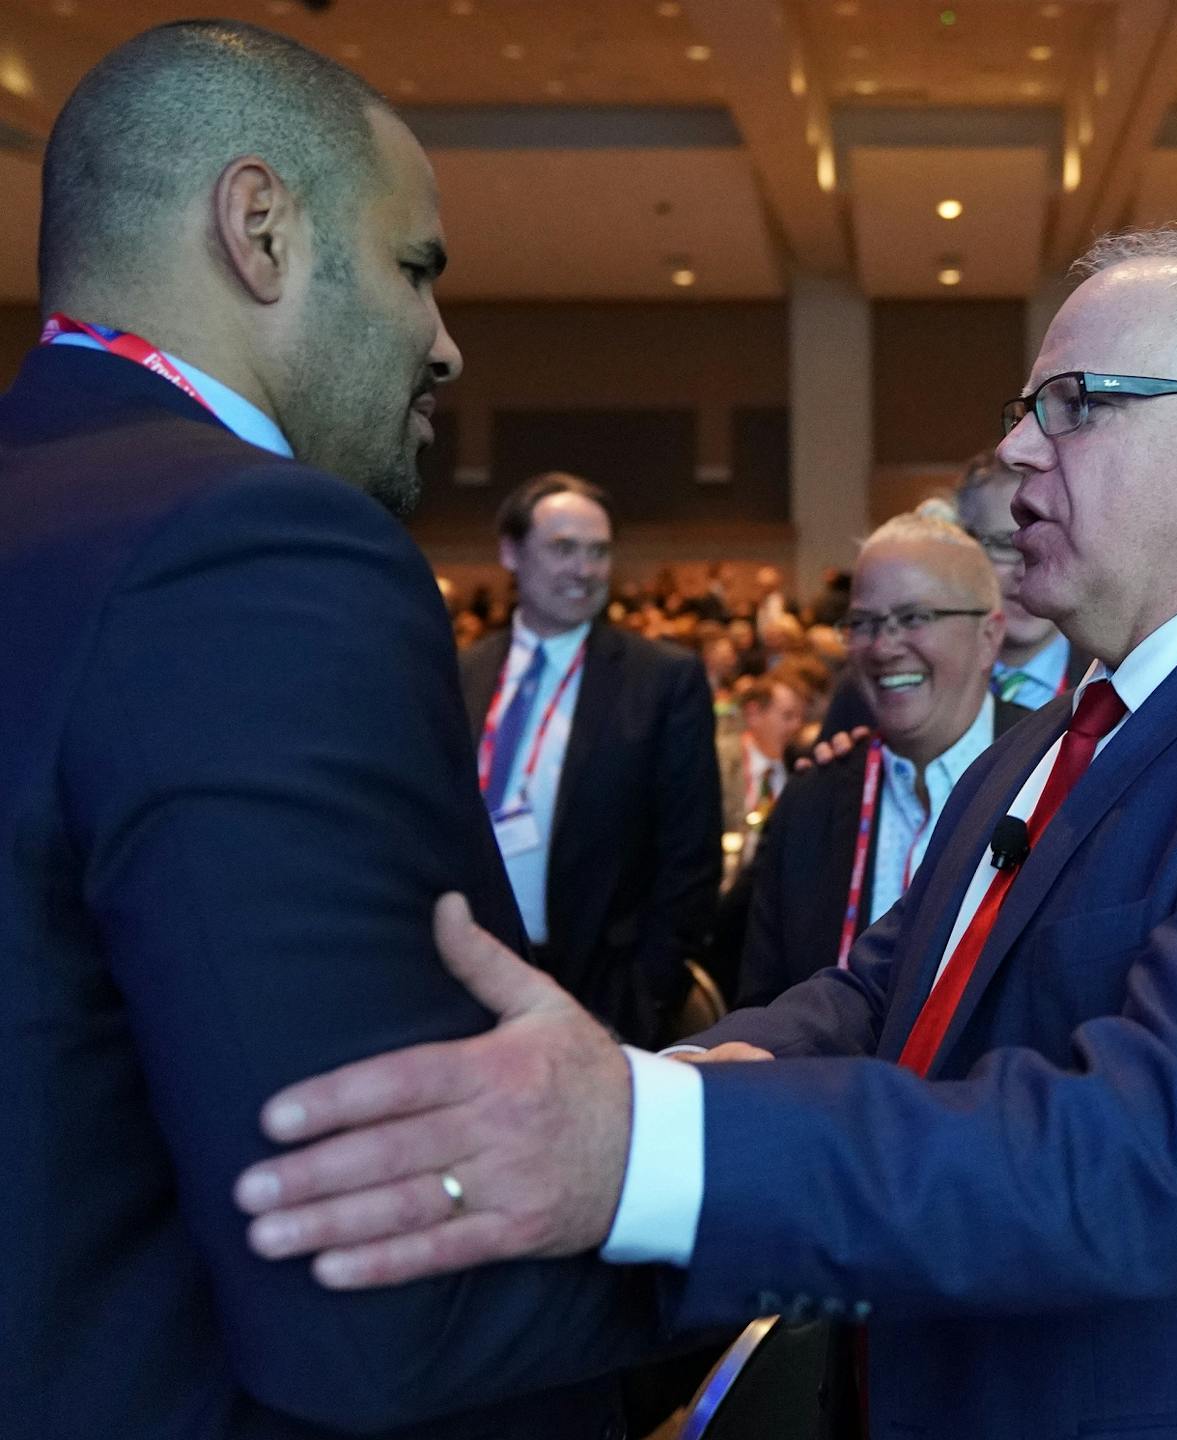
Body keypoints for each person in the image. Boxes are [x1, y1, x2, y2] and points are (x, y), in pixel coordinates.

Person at [235, 226, 1177, 1440]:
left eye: (1073, 402)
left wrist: (651, 1148)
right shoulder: (1045, 739)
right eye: (1023, 405)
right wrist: (657, 1086)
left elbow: (1152, 1160)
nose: (1014, 447)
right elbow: (882, 997)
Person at [0, 22, 664, 1437]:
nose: (442, 341)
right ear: (261, 228)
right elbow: (379, 1284)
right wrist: (751, 1210)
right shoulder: (250, 544)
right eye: (415, 267)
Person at [460, 472, 721, 1051]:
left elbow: (690, 858)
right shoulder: (465, 675)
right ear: (510, 552)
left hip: (603, 995)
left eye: (598, 552)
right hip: (471, 986)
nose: (585, 569)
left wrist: (646, 993)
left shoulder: (660, 681)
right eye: (563, 549)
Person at [732, 514, 1030, 1009]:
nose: (885, 647)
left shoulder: (1056, 772)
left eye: (915, 618)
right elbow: (764, 1001)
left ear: (987, 636)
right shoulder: (813, 801)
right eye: (864, 624)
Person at [955, 448, 1090, 707]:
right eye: (1005, 545)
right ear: (964, 547)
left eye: (1044, 543)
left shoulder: (1117, 679)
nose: (1024, 570)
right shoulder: (909, 687)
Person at [718, 670, 805, 836]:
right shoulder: (722, 760)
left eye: (801, 717)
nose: (796, 726)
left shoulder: (800, 764)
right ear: (754, 715)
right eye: (787, 716)